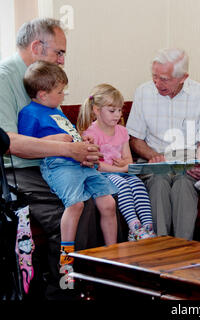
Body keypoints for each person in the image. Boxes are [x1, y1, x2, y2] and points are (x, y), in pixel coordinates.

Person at [0, 18, 109, 297]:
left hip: (48, 164)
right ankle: (63, 290)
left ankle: (91, 282)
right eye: (59, 52)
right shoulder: (4, 78)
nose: (61, 60)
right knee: (72, 209)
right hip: (17, 170)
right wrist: (66, 150)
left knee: (99, 201)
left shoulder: (44, 82)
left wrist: (81, 149)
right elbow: (8, 142)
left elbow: (62, 133)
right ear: (36, 47)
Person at [18, 61, 119, 266]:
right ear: (43, 94)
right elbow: (27, 145)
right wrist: (54, 141)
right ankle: (66, 257)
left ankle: (112, 254)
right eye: (60, 91)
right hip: (57, 164)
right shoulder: (29, 113)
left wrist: (83, 141)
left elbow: (71, 136)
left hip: (78, 162)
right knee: (76, 204)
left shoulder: (57, 110)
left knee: (108, 203)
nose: (64, 95)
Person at [126, 48, 200, 240]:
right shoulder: (143, 92)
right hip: (154, 162)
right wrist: (154, 156)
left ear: (183, 77)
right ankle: (158, 247)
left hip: (188, 163)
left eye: (164, 79)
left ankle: (182, 249)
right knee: (159, 182)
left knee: (183, 185)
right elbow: (135, 139)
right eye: (154, 76)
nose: (157, 83)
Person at [78, 83, 156, 241]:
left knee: (138, 184)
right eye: (112, 111)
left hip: (121, 172)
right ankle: (133, 227)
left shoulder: (122, 131)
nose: (117, 115)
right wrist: (121, 169)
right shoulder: (90, 133)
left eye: (120, 110)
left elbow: (128, 158)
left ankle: (147, 226)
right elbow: (96, 165)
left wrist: (125, 165)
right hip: (102, 175)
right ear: (97, 110)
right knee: (123, 185)